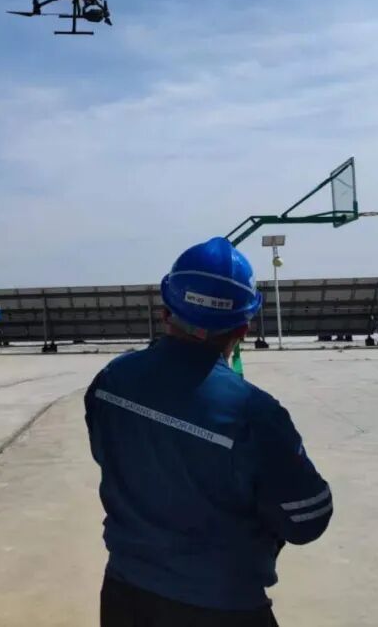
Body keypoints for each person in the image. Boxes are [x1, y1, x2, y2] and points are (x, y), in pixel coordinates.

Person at [84, 237, 332, 626]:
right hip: (222, 606)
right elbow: (307, 519)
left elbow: (107, 455)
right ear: (243, 328)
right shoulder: (254, 413)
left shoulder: (111, 381)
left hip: (125, 596)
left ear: (166, 312)